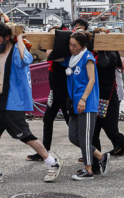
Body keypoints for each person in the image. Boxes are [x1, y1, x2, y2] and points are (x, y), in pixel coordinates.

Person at [0, 22, 61, 183]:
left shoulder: (17, 51)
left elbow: (26, 60)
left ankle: (52, 163)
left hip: (13, 102)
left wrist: (20, 40)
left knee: (25, 136)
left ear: (7, 37)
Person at [27, 21, 86, 162]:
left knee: (71, 124)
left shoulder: (65, 55)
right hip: (54, 92)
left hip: (64, 93)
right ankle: (44, 151)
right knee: (48, 119)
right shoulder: (61, 52)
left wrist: (52, 45)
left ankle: (89, 151)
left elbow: (50, 55)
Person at [90, 48, 124, 173]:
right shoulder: (91, 52)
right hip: (95, 97)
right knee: (93, 132)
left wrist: (101, 50)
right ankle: (94, 166)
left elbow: (104, 63)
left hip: (108, 99)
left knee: (112, 132)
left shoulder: (111, 54)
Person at [64, 31, 108, 181]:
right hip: (75, 103)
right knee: (73, 137)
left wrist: (83, 99)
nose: (71, 47)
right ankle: (101, 157)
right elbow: (54, 57)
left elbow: (91, 80)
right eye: (69, 44)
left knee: (84, 137)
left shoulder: (87, 58)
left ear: (82, 46)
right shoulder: (72, 59)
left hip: (86, 103)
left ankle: (88, 170)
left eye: (74, 45)